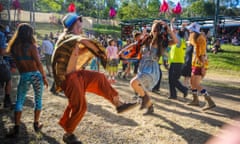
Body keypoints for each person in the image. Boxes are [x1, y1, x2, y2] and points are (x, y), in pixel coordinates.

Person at [51, 13, 137, 144]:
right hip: (69, 79)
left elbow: (77, 53)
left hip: (78, 75)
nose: (81, 27)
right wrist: (99, 52)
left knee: (100, 78)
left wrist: (90, 51)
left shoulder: (74, 40)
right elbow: (86, 42)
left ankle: (119, 104)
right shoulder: (67, 38)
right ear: (73, 25)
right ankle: (68, 134)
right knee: (80, 106)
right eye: (79, 25)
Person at [119, 20, 178, 114]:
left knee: (133, 83)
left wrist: (169, 29)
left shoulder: (162, 42)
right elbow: (135, 44)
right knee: (141, 88)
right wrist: (123, 50)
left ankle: (143, 100)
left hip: (151, 70)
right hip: (142, 67)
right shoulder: (147, 40)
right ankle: (150, 106)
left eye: (156, 30)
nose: (154, 31)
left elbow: (175, 41)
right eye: (153, 29)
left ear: (160, 31)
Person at [5, 23, 48, 137]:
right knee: (38, 100)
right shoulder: (32, 47)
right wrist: (44, 77)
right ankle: (36, 124)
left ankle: (17, 127)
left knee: (19, 101)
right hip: (35, 76)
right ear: (30, 34)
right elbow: (39, 63)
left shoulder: (13, 47)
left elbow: (16, 63)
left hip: (24, 75)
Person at [186, 22, 216, 111]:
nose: (189, 32)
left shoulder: (200, 38)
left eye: (190, 30)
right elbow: (189, 41)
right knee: (192, 83)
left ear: (193, 31)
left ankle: (210, 101)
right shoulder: (195, 38)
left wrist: (203, 67)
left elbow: (202, 53)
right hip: (195, 63)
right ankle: (195, 100)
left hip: (199, 64)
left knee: (196, 84)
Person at [167, 20, 188, 99]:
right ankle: (173, 95)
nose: (174, 32)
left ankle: (184, 89)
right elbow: (173, 32)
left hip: (178, 63)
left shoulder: (179, 41)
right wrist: (171, 23)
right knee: (170, 80)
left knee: (174, 79)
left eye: (176, 32)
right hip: (173, 62)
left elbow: (173, 32)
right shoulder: (176, 41)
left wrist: (171, 24)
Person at [0, 24, 14, 108]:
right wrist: (8, 52)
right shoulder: (1, 35)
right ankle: (7, 100)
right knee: (8, 79)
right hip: (1, 63)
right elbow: (2, 52)